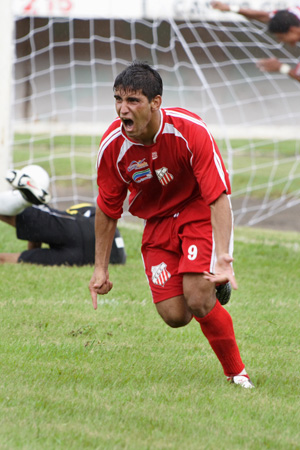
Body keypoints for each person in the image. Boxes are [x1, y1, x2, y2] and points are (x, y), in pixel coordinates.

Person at [89, 61, 254, 389]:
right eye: (118, 100)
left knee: (196, 297)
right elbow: (108, 210)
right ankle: (209, 290)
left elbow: (218, 196)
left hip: (196, 212)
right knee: (176, 316)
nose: (123, 109)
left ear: (155, 103)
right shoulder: (113, 147)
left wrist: (223, 258)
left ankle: (237, 374)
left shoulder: (190, 129)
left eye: (133, 101)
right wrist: (99, 269)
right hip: (157, 223)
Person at [0, 165, 126, 266]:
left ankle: (25, 200)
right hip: (108, 255)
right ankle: (28, 199)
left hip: (88, 233)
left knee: (35, 216)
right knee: (5, 259)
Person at [211, 2, 300, 82]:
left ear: (292, 30)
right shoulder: (295, 13)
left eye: (281, 37)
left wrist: (281, 67)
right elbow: (265, 16)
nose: (280, 41)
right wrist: (230, 8)